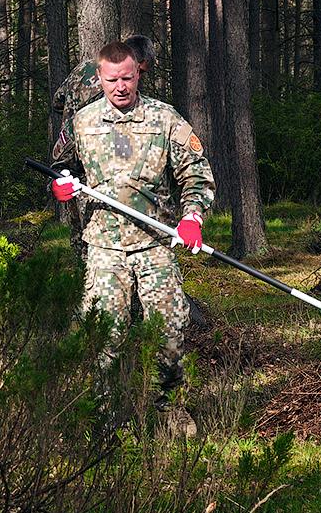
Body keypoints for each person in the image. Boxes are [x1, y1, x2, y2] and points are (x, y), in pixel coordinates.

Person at [50, 41, 214, 436]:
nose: (120, 87)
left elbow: (196, 175)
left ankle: (167, 409)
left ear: (138, 72)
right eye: (111, 80)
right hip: (104, 246)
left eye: (127, 77)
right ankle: (104, 419)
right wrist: (62, 186)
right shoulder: (82, 122)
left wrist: (192, 217)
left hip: (156, 242)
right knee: (104, 332)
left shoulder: (165, 119)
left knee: (171, 328)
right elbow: (60, 165)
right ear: (99, 78)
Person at [52, 35, 158, 262]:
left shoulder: (85, 67)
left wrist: (70, 113)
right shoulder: (114, 85)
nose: (139, 77)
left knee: (77, 227)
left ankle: (83, 278)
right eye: (141, 70)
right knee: (98, 230)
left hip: (66, 157)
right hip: (93, 162)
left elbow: (57, 101)